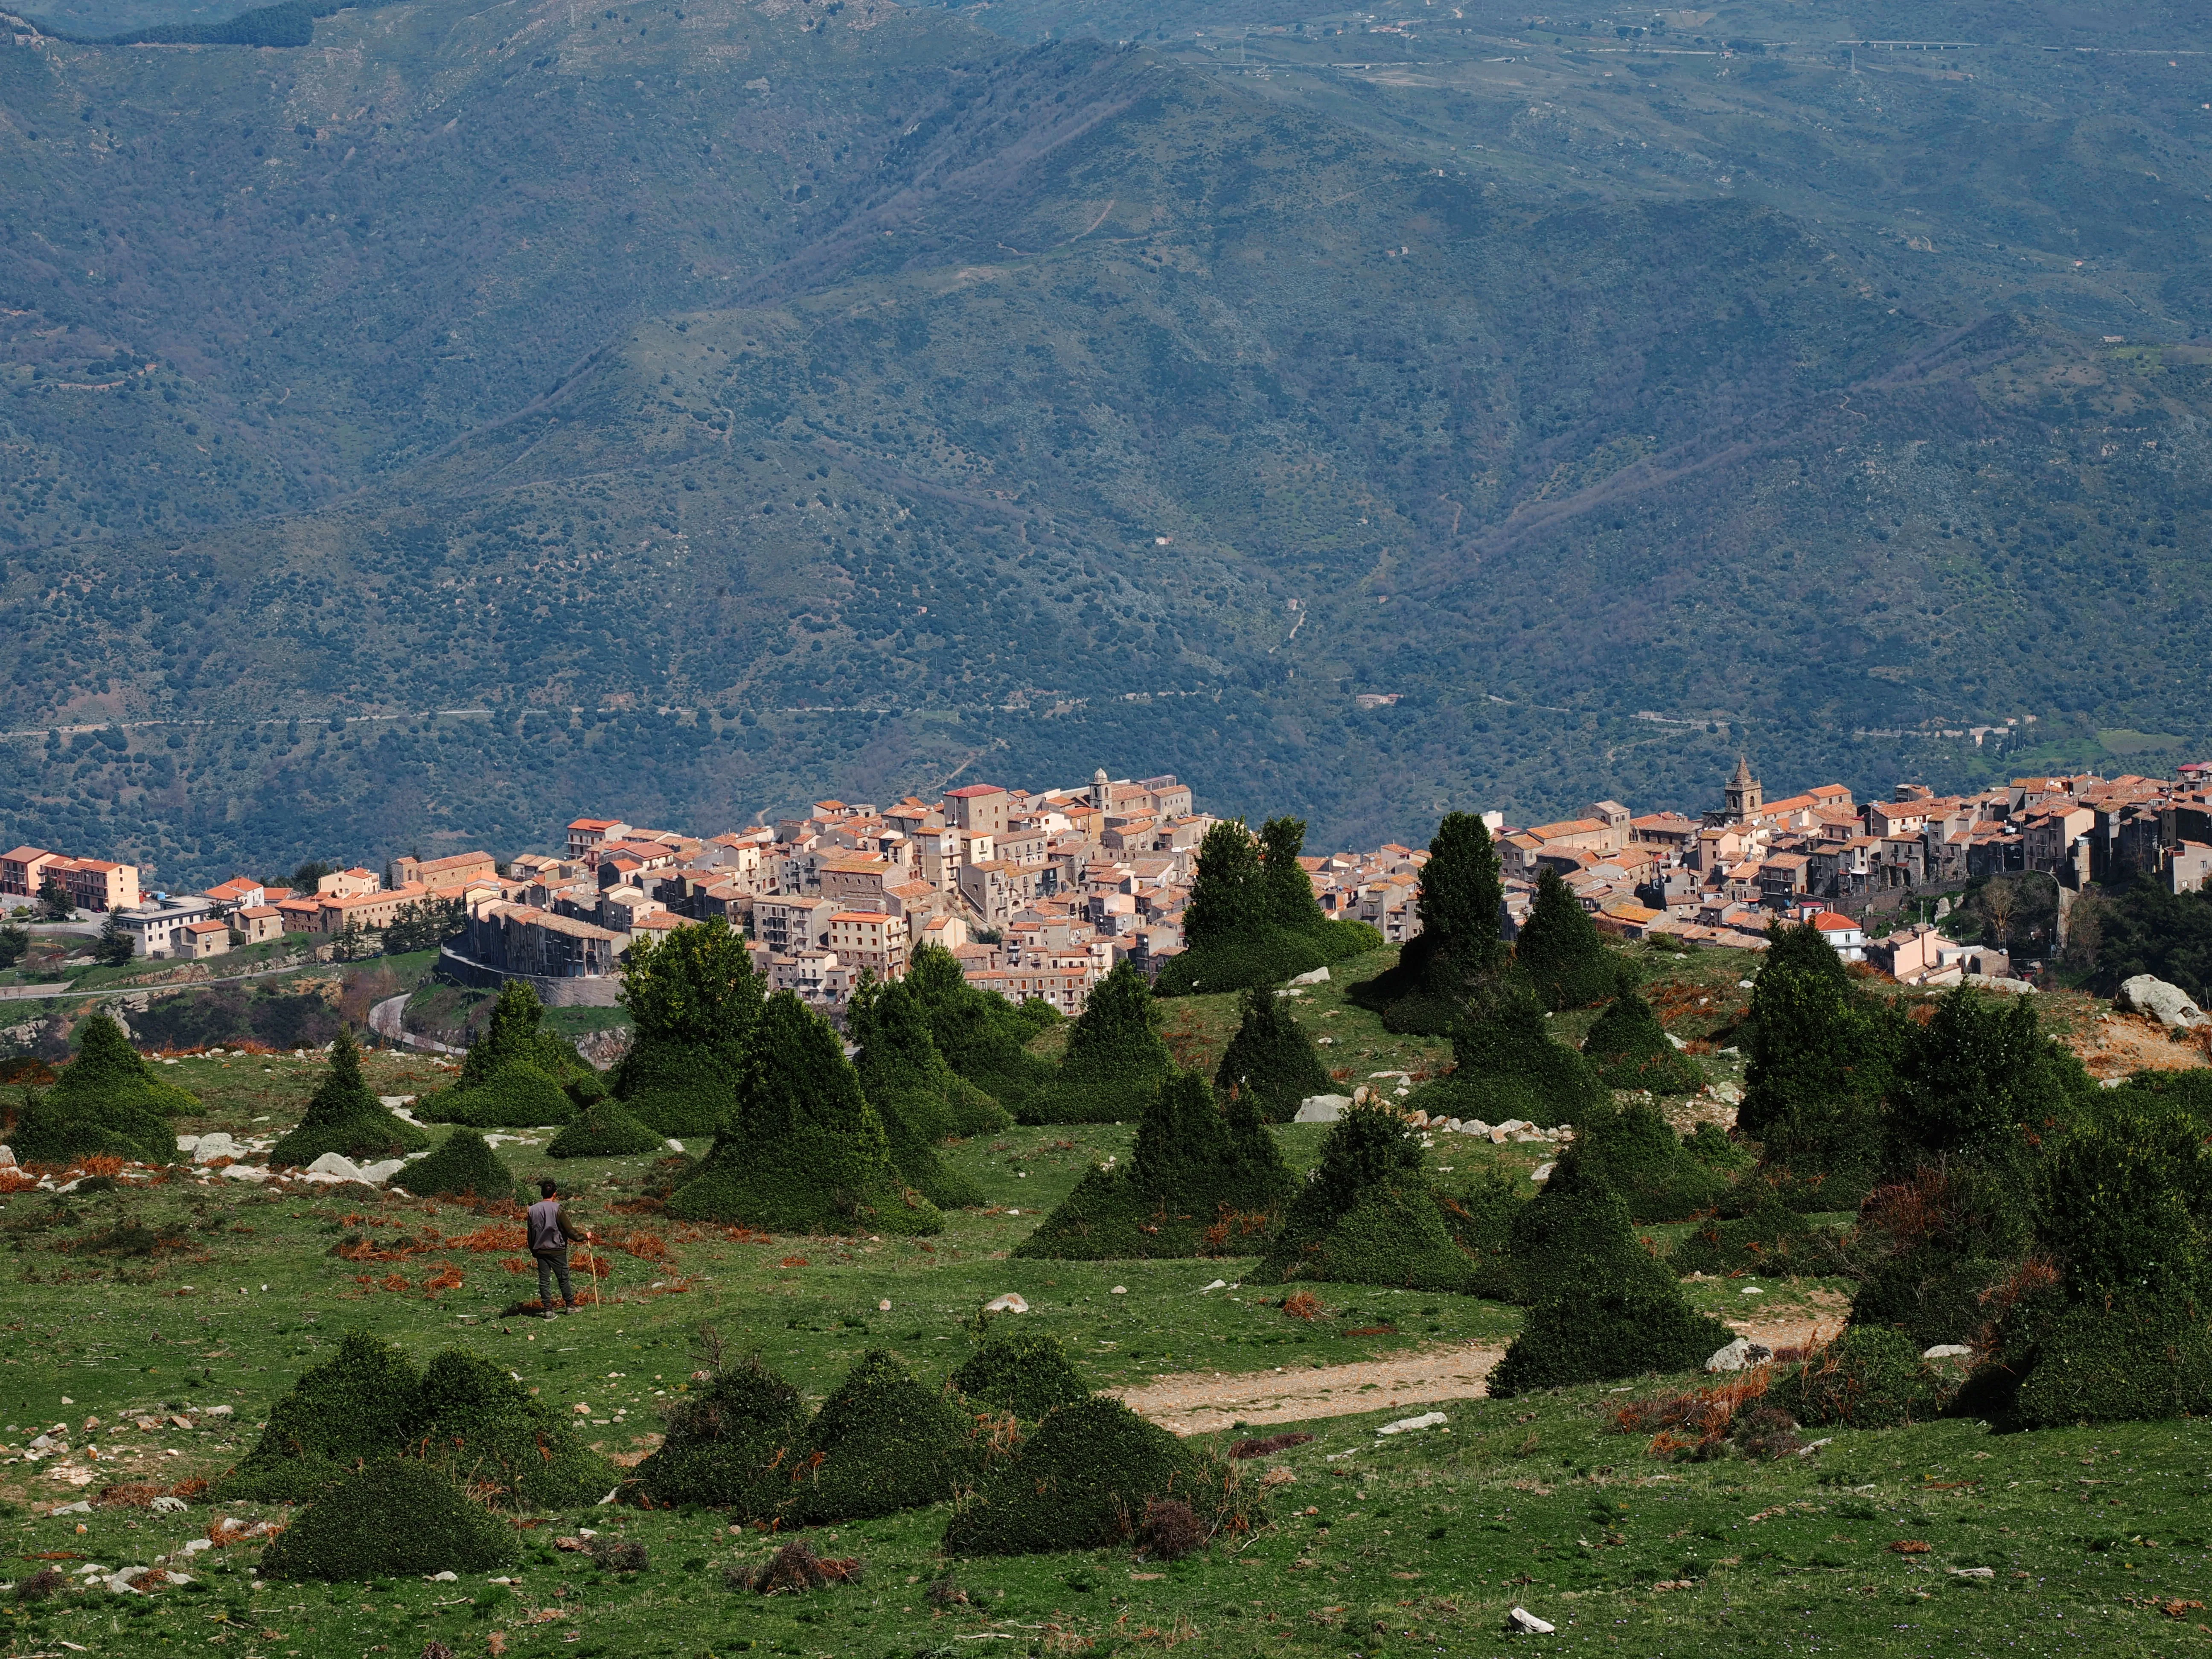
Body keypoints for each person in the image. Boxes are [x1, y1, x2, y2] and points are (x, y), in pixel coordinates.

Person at [527, 1177, 592, 1317]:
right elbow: (570, 1231)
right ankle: (570, 1306)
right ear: (555, 1194)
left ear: (542, 1194)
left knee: (544, 1281)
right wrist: (584, 1236)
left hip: (540, 1250)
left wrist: (534, 1250)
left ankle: (548, 1310)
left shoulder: (532, 1210)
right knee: (563, 1278)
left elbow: (530, 1233)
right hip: (557, 1250)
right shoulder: (558, 1209)